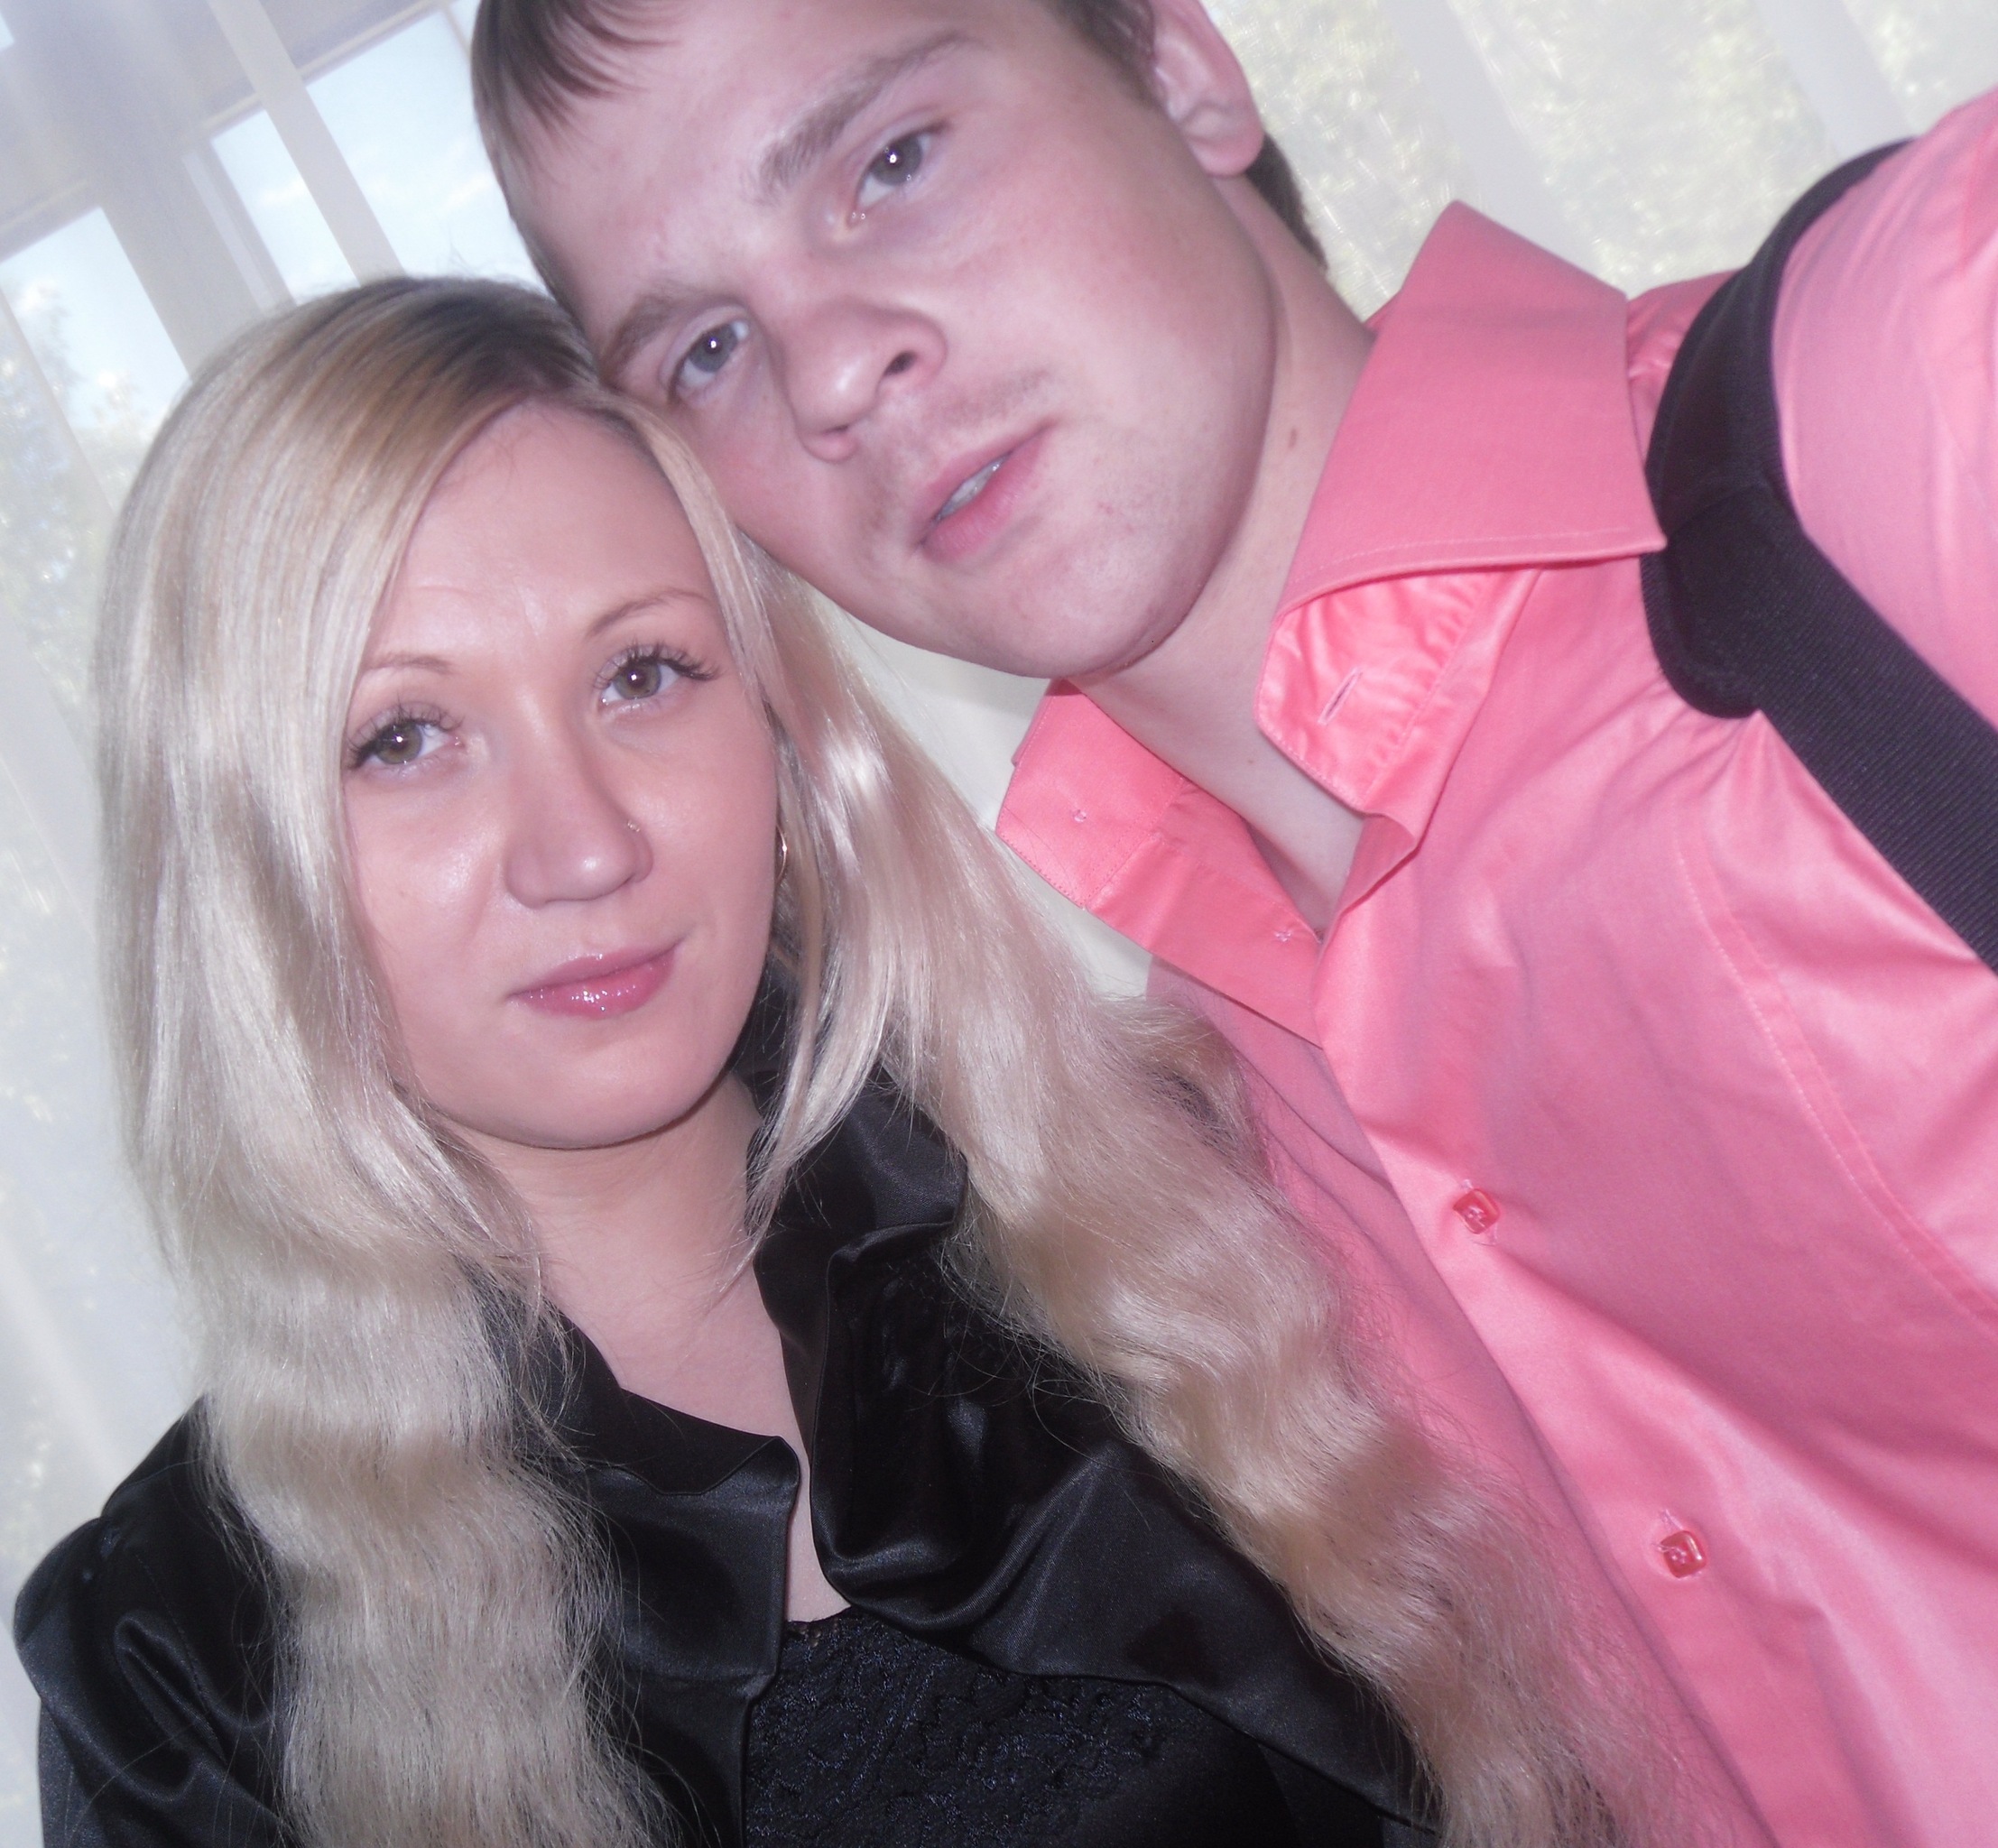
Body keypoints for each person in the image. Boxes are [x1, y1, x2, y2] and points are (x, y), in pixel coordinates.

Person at [468, 2, 1998, 1843]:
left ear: (1181, 72)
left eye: (893, 162)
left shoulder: (1921, 385)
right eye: (708, 348)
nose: (833, 374)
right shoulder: (1186, 1188)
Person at [10, 277, 1675, 1848]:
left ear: (783, 737)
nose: (583, 846)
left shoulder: (1195, 1207)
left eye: (643, 674)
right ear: (239, 859)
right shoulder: (177, 1670)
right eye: (403, 738)